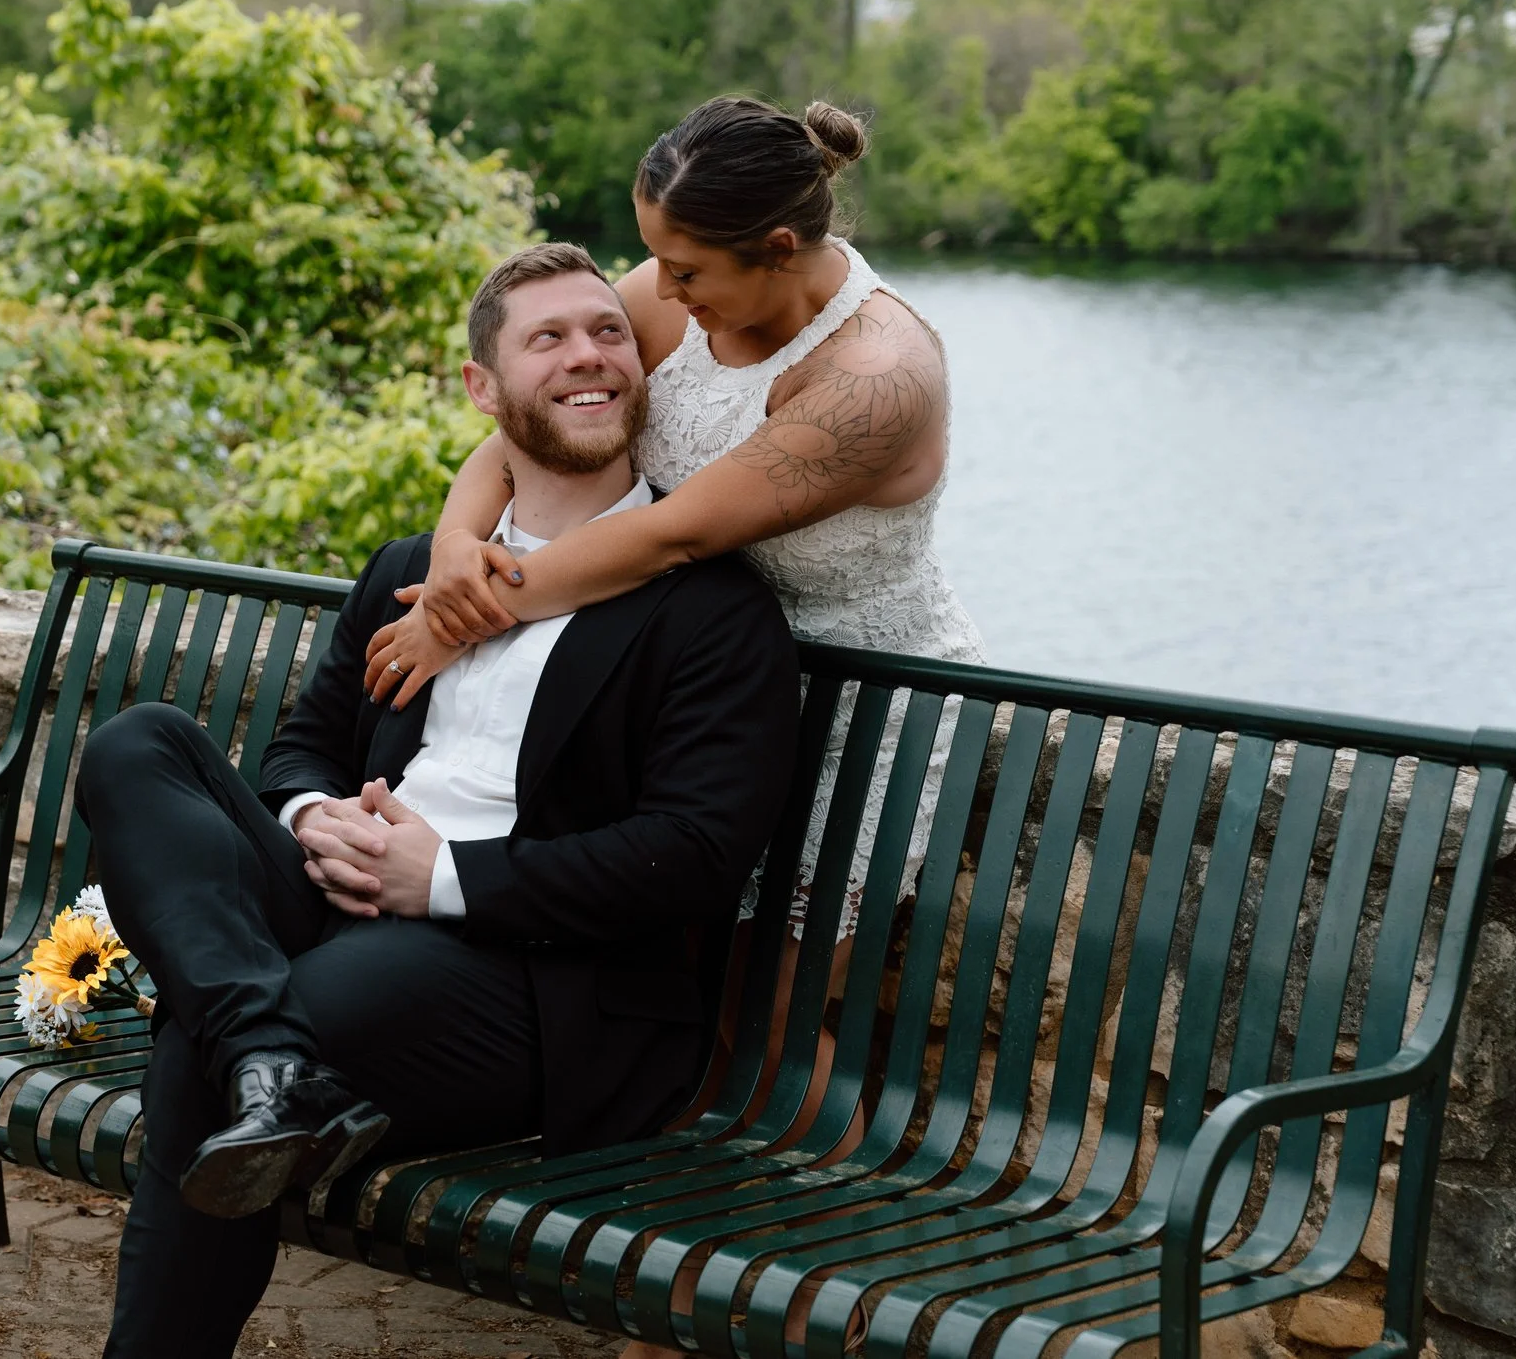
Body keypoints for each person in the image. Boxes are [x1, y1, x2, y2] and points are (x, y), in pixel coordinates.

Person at [73, 242, 801, 1359]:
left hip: (542, 976)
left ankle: (265, 1061)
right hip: (344, 898)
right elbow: (302, 745)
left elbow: (694, 852)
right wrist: (318, 818)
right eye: (546, 338)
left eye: (607, 330)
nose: (588, 356)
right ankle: (277, 1063)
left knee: (207, 1037)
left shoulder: (706, 607)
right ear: (482, 386)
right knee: (139, 744)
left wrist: (443, 875)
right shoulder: (417, 569)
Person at [365, 95, 985, 942]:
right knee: (660, 967)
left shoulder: (876, 379)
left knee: (769, 1000)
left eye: (683, 269)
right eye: (655, 257)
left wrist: (464, 623)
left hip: (854, 704)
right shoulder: (681, 295)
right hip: (689, 677)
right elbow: (523, 431)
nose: (656, 288)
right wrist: (453, 548)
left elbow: (675, 533)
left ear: (775, 250)